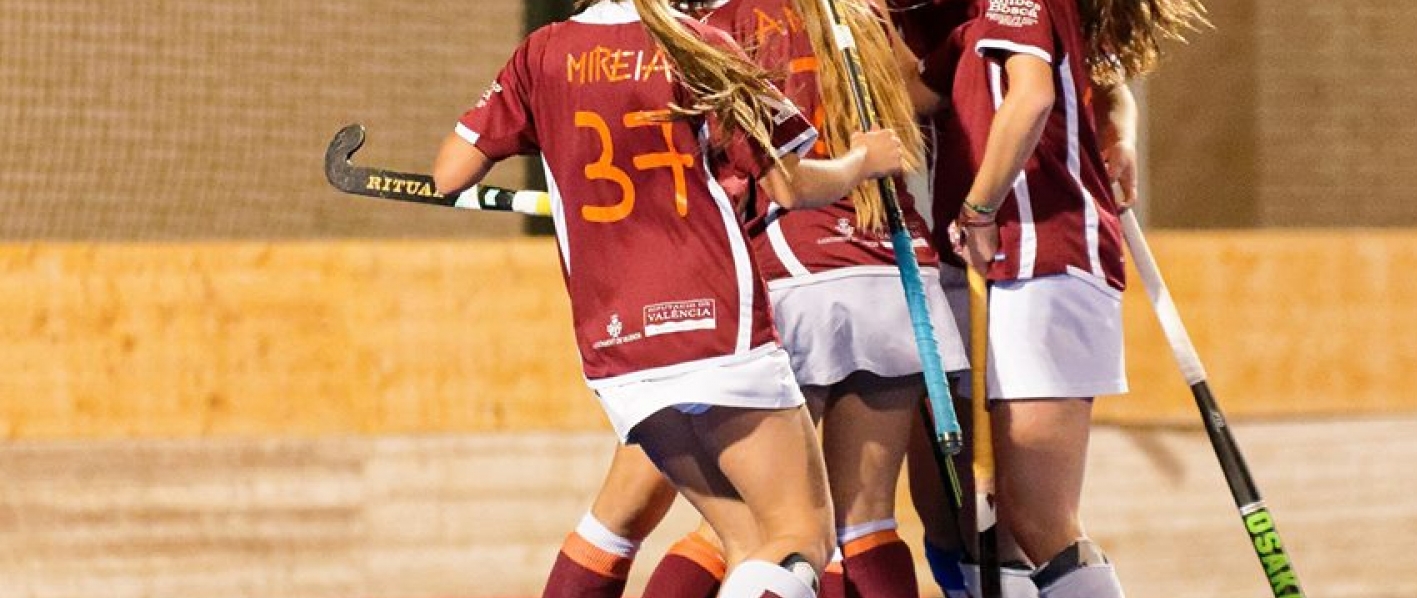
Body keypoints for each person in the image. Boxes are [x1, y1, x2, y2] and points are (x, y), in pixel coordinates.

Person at [431, 1, 910, 596]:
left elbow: (450, 174)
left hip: (618, 351)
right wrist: (862, 162)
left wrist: (561, 134)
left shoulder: (540, 54)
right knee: (801, 534)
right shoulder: (700, 45)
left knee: (744, 540)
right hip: (714, 327)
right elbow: (791, 185)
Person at [929, 0, 1206, 596]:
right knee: (984, 521)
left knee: (1038, 515)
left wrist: (978, 210)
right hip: (1002, 265)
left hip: (1037, 258)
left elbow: (1032, 97)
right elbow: (1106, 78)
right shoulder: (963, 15)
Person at [708, 0, 964, 597]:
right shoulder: (867, 13)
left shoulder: (730, 21)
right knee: (868, 519)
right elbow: (919, 97)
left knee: (749, 527)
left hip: (799, 268)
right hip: (892, 266)